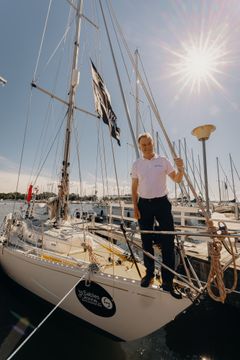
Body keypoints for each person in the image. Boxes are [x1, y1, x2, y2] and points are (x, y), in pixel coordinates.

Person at [131, 132, 184, 299]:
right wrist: (135, 207)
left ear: (153, 144)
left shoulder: (163, 161)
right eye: (143, 145)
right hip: (144, 205)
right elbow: (134, 187)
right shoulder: (137, 164)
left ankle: (168, 281)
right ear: (140, 147)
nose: (146, 147)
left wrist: (181, 168)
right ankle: (149, 274)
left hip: (162, 204)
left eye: (149, 143)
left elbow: (176, 179)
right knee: (146, 242)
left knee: (168, 242)